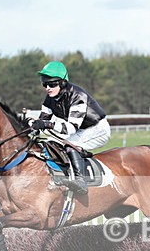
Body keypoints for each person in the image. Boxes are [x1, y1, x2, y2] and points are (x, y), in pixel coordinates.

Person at [31, 60, 111, 194]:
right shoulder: (50, 98)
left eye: (52, 84)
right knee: (51, 142)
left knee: (70, 144)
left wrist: (47, 124)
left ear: (62, 82)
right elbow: (42, 119)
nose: (47, 88)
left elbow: (70, 128)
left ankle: (81, 181)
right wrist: (30, 125)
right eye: (44, 83)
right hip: (81, 130)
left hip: (98, 130)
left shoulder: (78, 96)